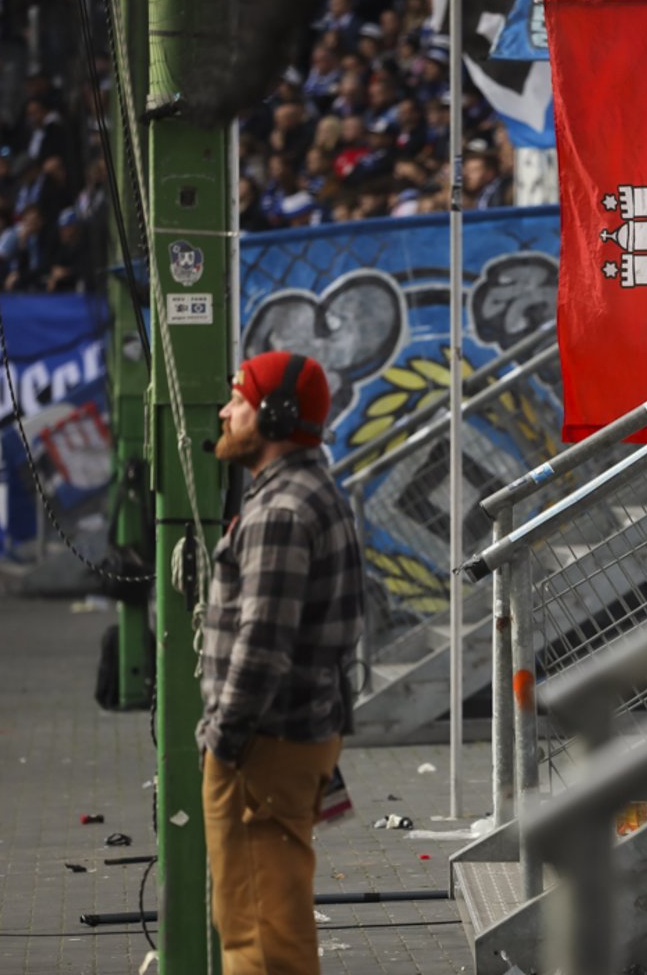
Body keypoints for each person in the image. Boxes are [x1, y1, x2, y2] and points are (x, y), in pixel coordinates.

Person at [198, 350, 363, 975]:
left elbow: (262, 646)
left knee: (258, 934)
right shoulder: (311, 491)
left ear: (275, 415)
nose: (224, 411)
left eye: (238, 400)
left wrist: (224, 738)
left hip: (261, 748)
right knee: (277, 919)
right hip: (293, 739)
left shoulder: (279, 512)